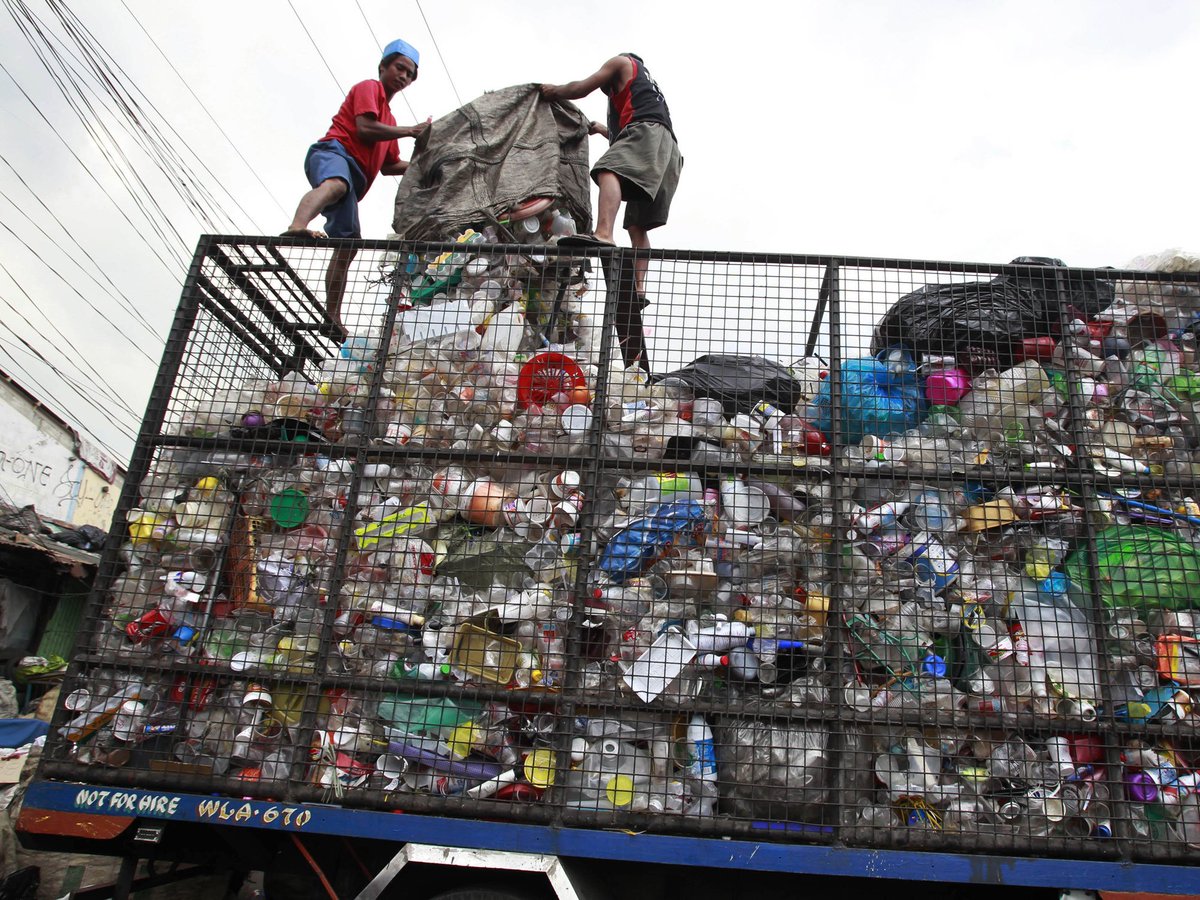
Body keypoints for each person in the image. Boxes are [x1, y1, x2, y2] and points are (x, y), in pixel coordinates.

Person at [284, 38, 430, 339]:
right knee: (335, 184)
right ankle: (298, 225)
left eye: (409, 74)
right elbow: (364, 128)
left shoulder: (389, 122)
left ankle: (331, 316)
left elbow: (390, 165)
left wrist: (425, 162)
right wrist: (410, 131)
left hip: (353, 182)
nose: (403, 76)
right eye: (399, 68)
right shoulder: (370, 88)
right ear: (383, 67)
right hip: (333, 154)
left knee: (349, 245)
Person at [540, 53, 683, 305]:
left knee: (607, 169)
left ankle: (604, 234)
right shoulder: (645, 91)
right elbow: (631, 135)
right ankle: (639, 289)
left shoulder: (621, 62)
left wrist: (554, 91)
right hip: (668, 152)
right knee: (637, 226)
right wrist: (601, 129)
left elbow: (582, 88)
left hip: (648, 133)